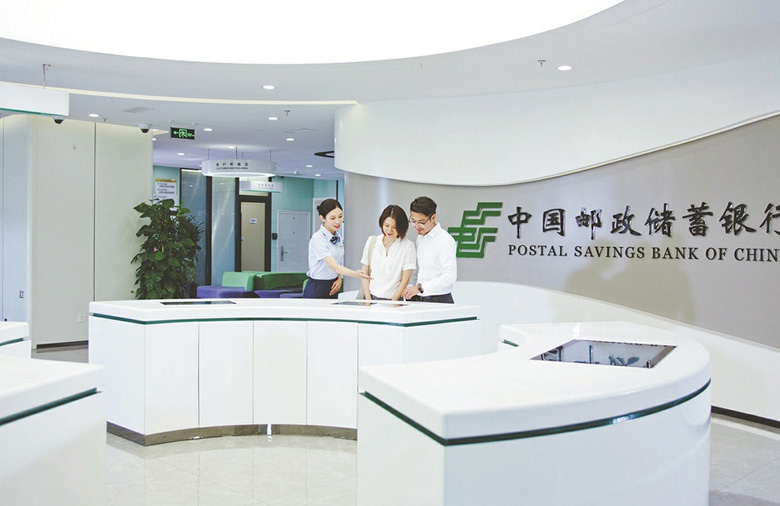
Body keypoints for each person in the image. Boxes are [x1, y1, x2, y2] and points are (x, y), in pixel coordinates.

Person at [303, 199, 370, 298]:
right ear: (322, 218)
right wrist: (356, 274)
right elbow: (334, 266)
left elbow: (337, 261)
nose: (338, 221)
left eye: (340, 216)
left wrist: (339, 279)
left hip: (333, 285)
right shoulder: (318, 238)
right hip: (317, 287)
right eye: (333, 218)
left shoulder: (338, 236)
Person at [402, 196, 457, 303]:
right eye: (413, 221)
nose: (416, 226)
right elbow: (420, 271)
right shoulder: (420, 237)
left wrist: (420, 288)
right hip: (418, 298)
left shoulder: (445, 240)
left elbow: (450, 276)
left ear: (433, 217)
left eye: (421, 222)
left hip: (438, 300)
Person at [359, 205, 417, 301]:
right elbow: (364, 271)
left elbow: (405, 280)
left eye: (394, 227)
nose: (389, 230)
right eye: (386, 225)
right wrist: (368, 300)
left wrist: (393, 302)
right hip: (371, 298)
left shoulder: (408, 246)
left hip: (394, 300)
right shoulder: (372, 241)